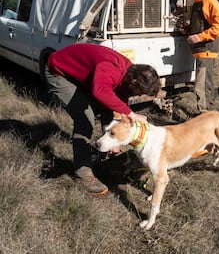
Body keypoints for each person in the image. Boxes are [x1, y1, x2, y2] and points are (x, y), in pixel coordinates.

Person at [44, 43, 160, 196]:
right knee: (85, 119)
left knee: (111, 109)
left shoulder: (129, 74)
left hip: (78, 76)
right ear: (134, 83)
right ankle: (83, 173)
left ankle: (106, 154)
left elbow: (116, 105)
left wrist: (115, 140)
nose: (138, 96)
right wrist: (131, 114)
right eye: (140, 92)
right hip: (59, 71)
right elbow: (100, 91)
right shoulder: (109, 68)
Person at [187, 0, 219, 114]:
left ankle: (204, 116)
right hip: (201, 50)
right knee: (205, 84)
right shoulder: (199, 2)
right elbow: (201, 24)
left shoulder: (210, 1)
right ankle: (207, 114)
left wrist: (200, 37)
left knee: (201, 86)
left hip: (206, 50)